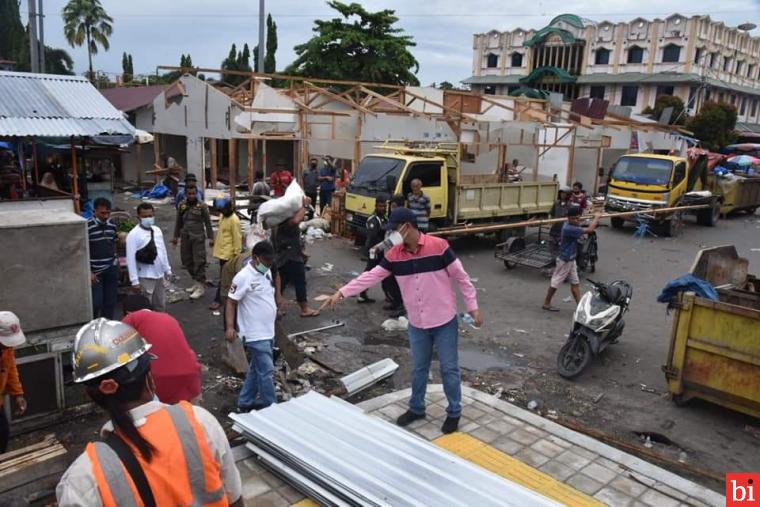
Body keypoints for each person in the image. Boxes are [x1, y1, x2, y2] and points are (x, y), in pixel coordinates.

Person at [321, 208, 482, 434]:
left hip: (444, 321)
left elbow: (462, 278)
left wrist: (473, 307)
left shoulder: (439, 247)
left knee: (449, 369)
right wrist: (342, 292)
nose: (391, 236)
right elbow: (372, 275)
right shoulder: (394, 255)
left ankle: (454, 412)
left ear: (407, 226)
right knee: (418, 368)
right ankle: (417, 408)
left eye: (394, 230)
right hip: (417, 323)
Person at [56, 319, 242, 506]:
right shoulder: (200, 422)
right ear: (150, 380)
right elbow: (234, 498)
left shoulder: (83, 480)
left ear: (91, 395)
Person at [225, 241, 278, 411]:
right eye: (266, 260)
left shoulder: (267, 271)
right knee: (267, 371)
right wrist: (230, 327)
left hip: (268, 331)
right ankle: (272, 408)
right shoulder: (242, 277)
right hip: (254, 333)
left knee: (257, 370)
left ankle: (245, 402)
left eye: (271, 260)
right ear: (255, 258)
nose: (269, 264)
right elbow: (231, 302)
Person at [122, 295, 201, 404]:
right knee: (186, 416)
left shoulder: (132, 318)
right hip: (190, 374)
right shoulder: (168, 317)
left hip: (159, 380)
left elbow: (118, 350)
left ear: (128, 312)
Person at [542, 207, 602, 311]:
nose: (576, 220)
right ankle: (546, 303)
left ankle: (580, 307)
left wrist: (591, 217)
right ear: (568, 218)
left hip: (571, 258)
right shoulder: (569, 228)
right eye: (574, 219)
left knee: (575, 282)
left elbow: (581, 223)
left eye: (578, 218)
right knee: (555, 282)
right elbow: (590, 230)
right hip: (565, 260)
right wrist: (596, 218)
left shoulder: (572, 224)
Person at [272, 203, 319, 317]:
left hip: (284, 256)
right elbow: (296, 220)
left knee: (281, 284)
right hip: (290, 257)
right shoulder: (286, 222)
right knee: (299, 282)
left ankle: (274, 309)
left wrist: (301, 253)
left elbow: (293, 239)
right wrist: (305, 205)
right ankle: (304, 309)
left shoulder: (278, 222)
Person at [126, 203, 172, 312]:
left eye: (150, 216)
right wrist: (134, 281)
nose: (148, 219)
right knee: (145, 309)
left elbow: (163, 251)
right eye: (145, 216)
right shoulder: (134, 235)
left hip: (159, 276)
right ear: (138, 217)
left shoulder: (157, 230)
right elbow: (130, 258)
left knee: (160, 306)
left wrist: (167, 269)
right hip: (145, 277)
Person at [173, 186, 214, 300]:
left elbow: (208, 223)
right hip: (185, 236)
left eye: (193, 194)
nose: (191, 196)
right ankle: (196, 282)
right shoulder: (182, 205)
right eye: (189, 194)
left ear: (196, 194)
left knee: (199, 261)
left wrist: (211, 238)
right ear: (185, 194)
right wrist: (175, 237)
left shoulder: (202, 206)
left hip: (198, 238)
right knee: (186, 260)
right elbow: (178, 222)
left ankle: (200, 287)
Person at [0, 311, 27, 453]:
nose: (9, 346)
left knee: (3, 434)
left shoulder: (7, 350)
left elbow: (10, 370)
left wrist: (18, 394)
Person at [88, 198, 119, 320]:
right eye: (102, 213)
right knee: (96, 303)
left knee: (110, 303)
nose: (106, 216)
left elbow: (114, 244)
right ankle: (93, 326)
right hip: (96, 273)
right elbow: (83, 251)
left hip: (111, 269)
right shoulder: (87, 227)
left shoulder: (112, 226)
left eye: (108, 213)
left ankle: (107, 328)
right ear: (94, 211)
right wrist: (89, 272)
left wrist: (116, 262)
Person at [210, 198, 242, 310]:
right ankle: (230, 296)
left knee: (224, 278)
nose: (222, 212)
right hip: (222, 253)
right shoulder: (223, 217)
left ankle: (218, 299)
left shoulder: (234, 220)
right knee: (227, 277)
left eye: (223, 209)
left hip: (229, 255)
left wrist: (236, 255)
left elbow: (237, 238)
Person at [357, 194, 389, 304]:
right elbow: (372, 238)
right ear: (376, 206)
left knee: (381, 273)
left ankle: (388, 295)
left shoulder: (384, 218)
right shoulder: (374, 219)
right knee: (370, 273)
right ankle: (362, 294)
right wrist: (370, 254)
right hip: (374, 251)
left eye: (384, 206)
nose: (382, 208)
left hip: (382, 251)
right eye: (380, 206)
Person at [548, 186, 572, 260]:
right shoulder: (556, 203)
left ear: (568, 195)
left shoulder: (570, 205)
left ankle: (559, 261)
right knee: (552, 244)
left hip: (564, 229)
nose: (562, 195)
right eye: (561, 193)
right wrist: (550, 224)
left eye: (564, 193)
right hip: (554, 227)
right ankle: (553, 259)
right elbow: (552, 214)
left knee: (561, 246)